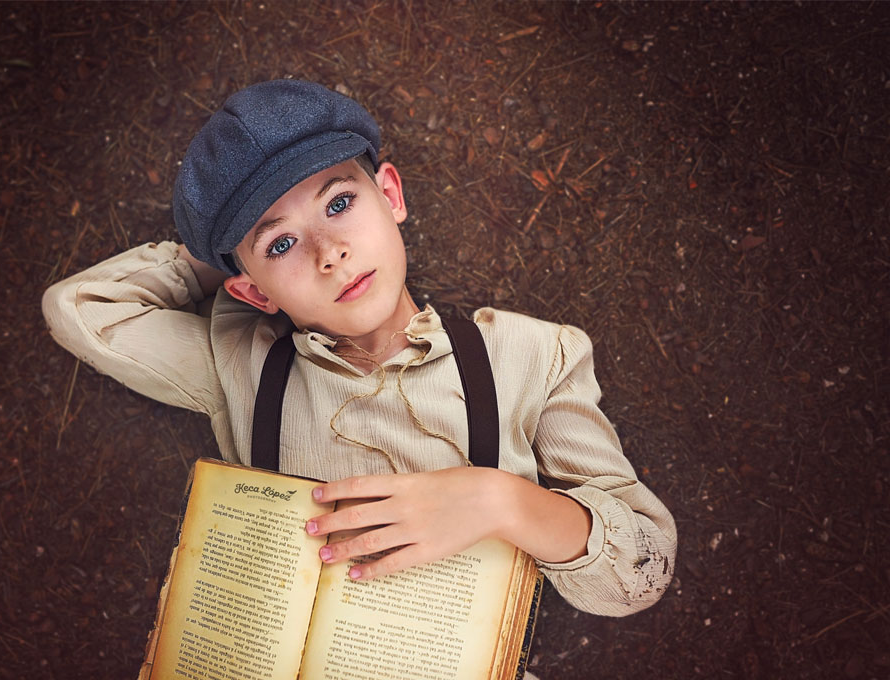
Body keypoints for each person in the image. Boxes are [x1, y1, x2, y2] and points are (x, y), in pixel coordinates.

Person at [42, 78, 676, 645]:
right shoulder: (238, 360)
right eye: (282, 242)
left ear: (390, 195)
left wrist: (499, 500)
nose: (329, 253)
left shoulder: (534, 356)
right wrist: (224, 253)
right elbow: (82, 308)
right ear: (253, 292)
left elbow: (640, 575)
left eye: (340, 203)